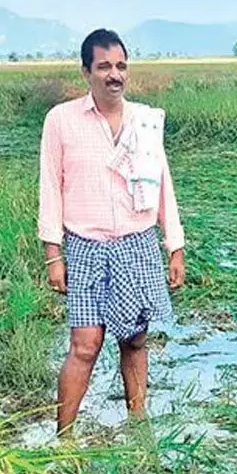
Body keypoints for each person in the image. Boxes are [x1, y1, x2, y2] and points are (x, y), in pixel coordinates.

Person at [38, 28, 186, 435]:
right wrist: (54, 255)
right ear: (86, 71)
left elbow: (162, 184)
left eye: (121, 66)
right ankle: (64, 437)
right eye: (104, 66)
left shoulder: (144, 121)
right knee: (85, 346)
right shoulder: (62, 121)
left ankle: (139, 427)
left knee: (135, 341)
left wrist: (174, 246)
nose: (114, 75)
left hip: (138, 245)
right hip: (85, 247)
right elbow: (50, 187)